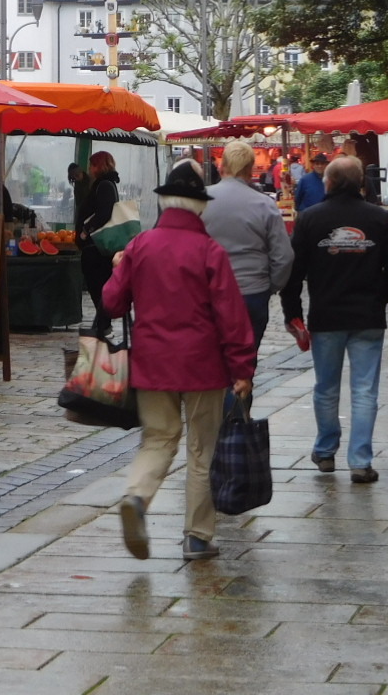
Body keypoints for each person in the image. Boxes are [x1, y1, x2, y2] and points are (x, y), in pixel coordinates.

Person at [105, 163, 256, 562]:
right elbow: (232, 316)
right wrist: (242, 369)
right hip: (203, 366)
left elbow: (112, 302)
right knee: (203, 449)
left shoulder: (140, 246)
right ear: (200, 206)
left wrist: (119, 268)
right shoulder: (210, 251)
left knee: (158, 438)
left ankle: (137, 496)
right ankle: (197, 537)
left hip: (152, 363)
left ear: (165, 202)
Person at [281, 156, 388, 482]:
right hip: (367, 316)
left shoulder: (311, 218)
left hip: (326, 315)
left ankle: (325, 451)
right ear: (360, 183)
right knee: (365, 391)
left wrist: (292, 312)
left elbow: (293, 272)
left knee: (326, 387)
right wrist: (383, 295)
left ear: (329, 182)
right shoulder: (378, 218)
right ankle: (360, 461)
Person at [202, 140, 295, 366]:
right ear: (249, 169)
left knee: (211, 361)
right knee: (245, 363)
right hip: (252, 291)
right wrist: (270, 286)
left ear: (222, 166)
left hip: (209, 292)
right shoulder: (264, 204)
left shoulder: (200, 200)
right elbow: (284, 256)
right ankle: (242, 388)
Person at [76, 150, 121, 338]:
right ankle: (102, 324)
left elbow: (104, 213)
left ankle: (103, 324)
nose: (89, 169)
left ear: (98, 166)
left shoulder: (104, 185)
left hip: (97, 247)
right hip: (96, 246)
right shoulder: (105, 184)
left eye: (92, 165)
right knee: (98, 286)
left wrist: (86, 231)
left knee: (97, 285)